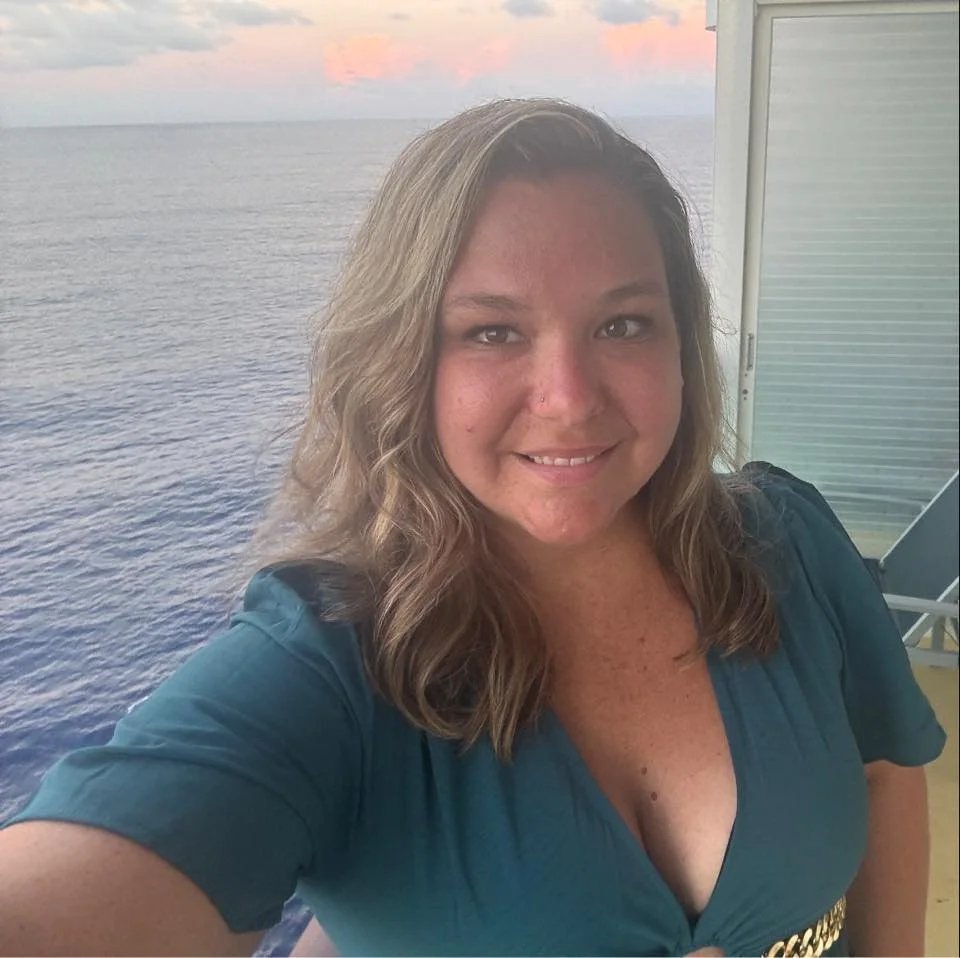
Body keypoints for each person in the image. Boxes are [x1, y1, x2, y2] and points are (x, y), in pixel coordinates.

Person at [0, 98, 946, 958]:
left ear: (682, 343)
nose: (570, 401)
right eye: (492, 332)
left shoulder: (785, 543)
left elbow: (884, 776)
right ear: (406, 362)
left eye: (623, 325)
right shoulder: (328, 667)